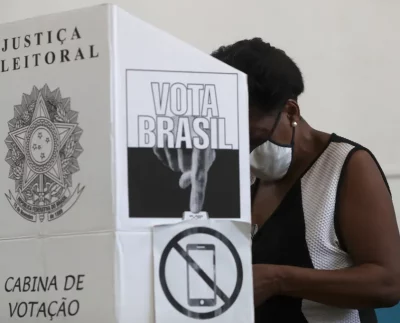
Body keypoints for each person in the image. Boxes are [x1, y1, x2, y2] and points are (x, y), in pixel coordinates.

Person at [209, 38, 400, 322]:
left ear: (290, 112)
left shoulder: (347, 166)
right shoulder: (245, 175)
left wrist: (278, 279)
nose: (244, 150)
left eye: (252, 136)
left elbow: (387, 284)